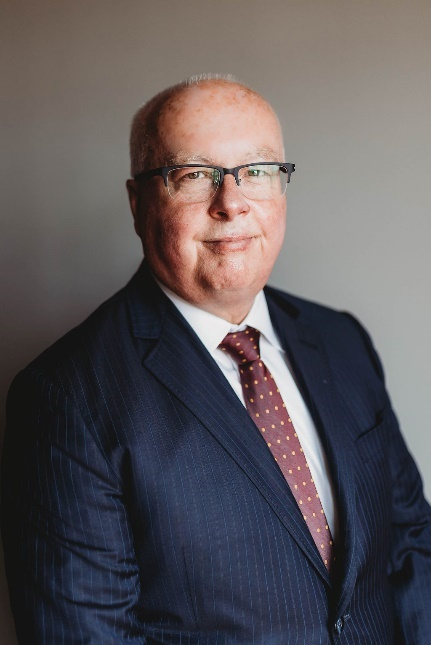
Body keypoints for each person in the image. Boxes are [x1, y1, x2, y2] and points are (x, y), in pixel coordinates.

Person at [2, 74, 431, 644]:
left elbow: (410, 543)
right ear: (138, 204)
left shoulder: (341, 339)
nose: (232, 203)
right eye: (194, 175)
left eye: (257, 171)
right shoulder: (64, 397)